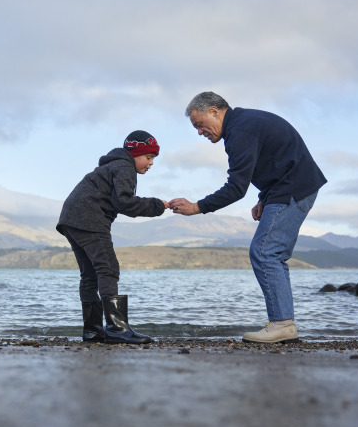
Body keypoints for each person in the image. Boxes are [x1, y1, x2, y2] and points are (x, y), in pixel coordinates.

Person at [169, 92, 327, 343]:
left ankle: (283, 324)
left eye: (199, 125)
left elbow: (236, 188)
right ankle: (283, 323)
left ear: (214, 111)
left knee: (266, 251)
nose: (199, 132)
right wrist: (264, 197)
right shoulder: (243, 124)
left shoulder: (240, 130)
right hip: (288, 187)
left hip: (293, 187)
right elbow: (276, 159)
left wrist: (196, 207)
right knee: (270, 252)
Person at [57, 130, 169, 344]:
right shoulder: (124, 167)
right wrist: (156, 205)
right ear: (135, 153)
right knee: (107, 268)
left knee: (90, 274)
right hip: (88, 216)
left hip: (70, 217)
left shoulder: (113, 165)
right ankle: (117, 329)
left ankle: (93, 331)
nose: (151, 163)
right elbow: (125, 202)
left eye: (153, 158)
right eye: (148, 157)